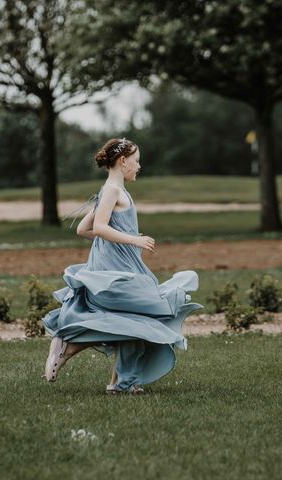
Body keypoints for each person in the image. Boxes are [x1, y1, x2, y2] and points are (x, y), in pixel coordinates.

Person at [43, 138, 202, 394]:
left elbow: (84, 230)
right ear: (123, 161)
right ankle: (69, 347)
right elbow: (99, 228)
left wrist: (120, 244)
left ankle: (119, 383)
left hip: (121, 265)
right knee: (141, 318)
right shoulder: (112, 191)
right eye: (136, 161)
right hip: (114, 272)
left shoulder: (113, 191)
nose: (139, 166)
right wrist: (133, 240)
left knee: (129, 322)